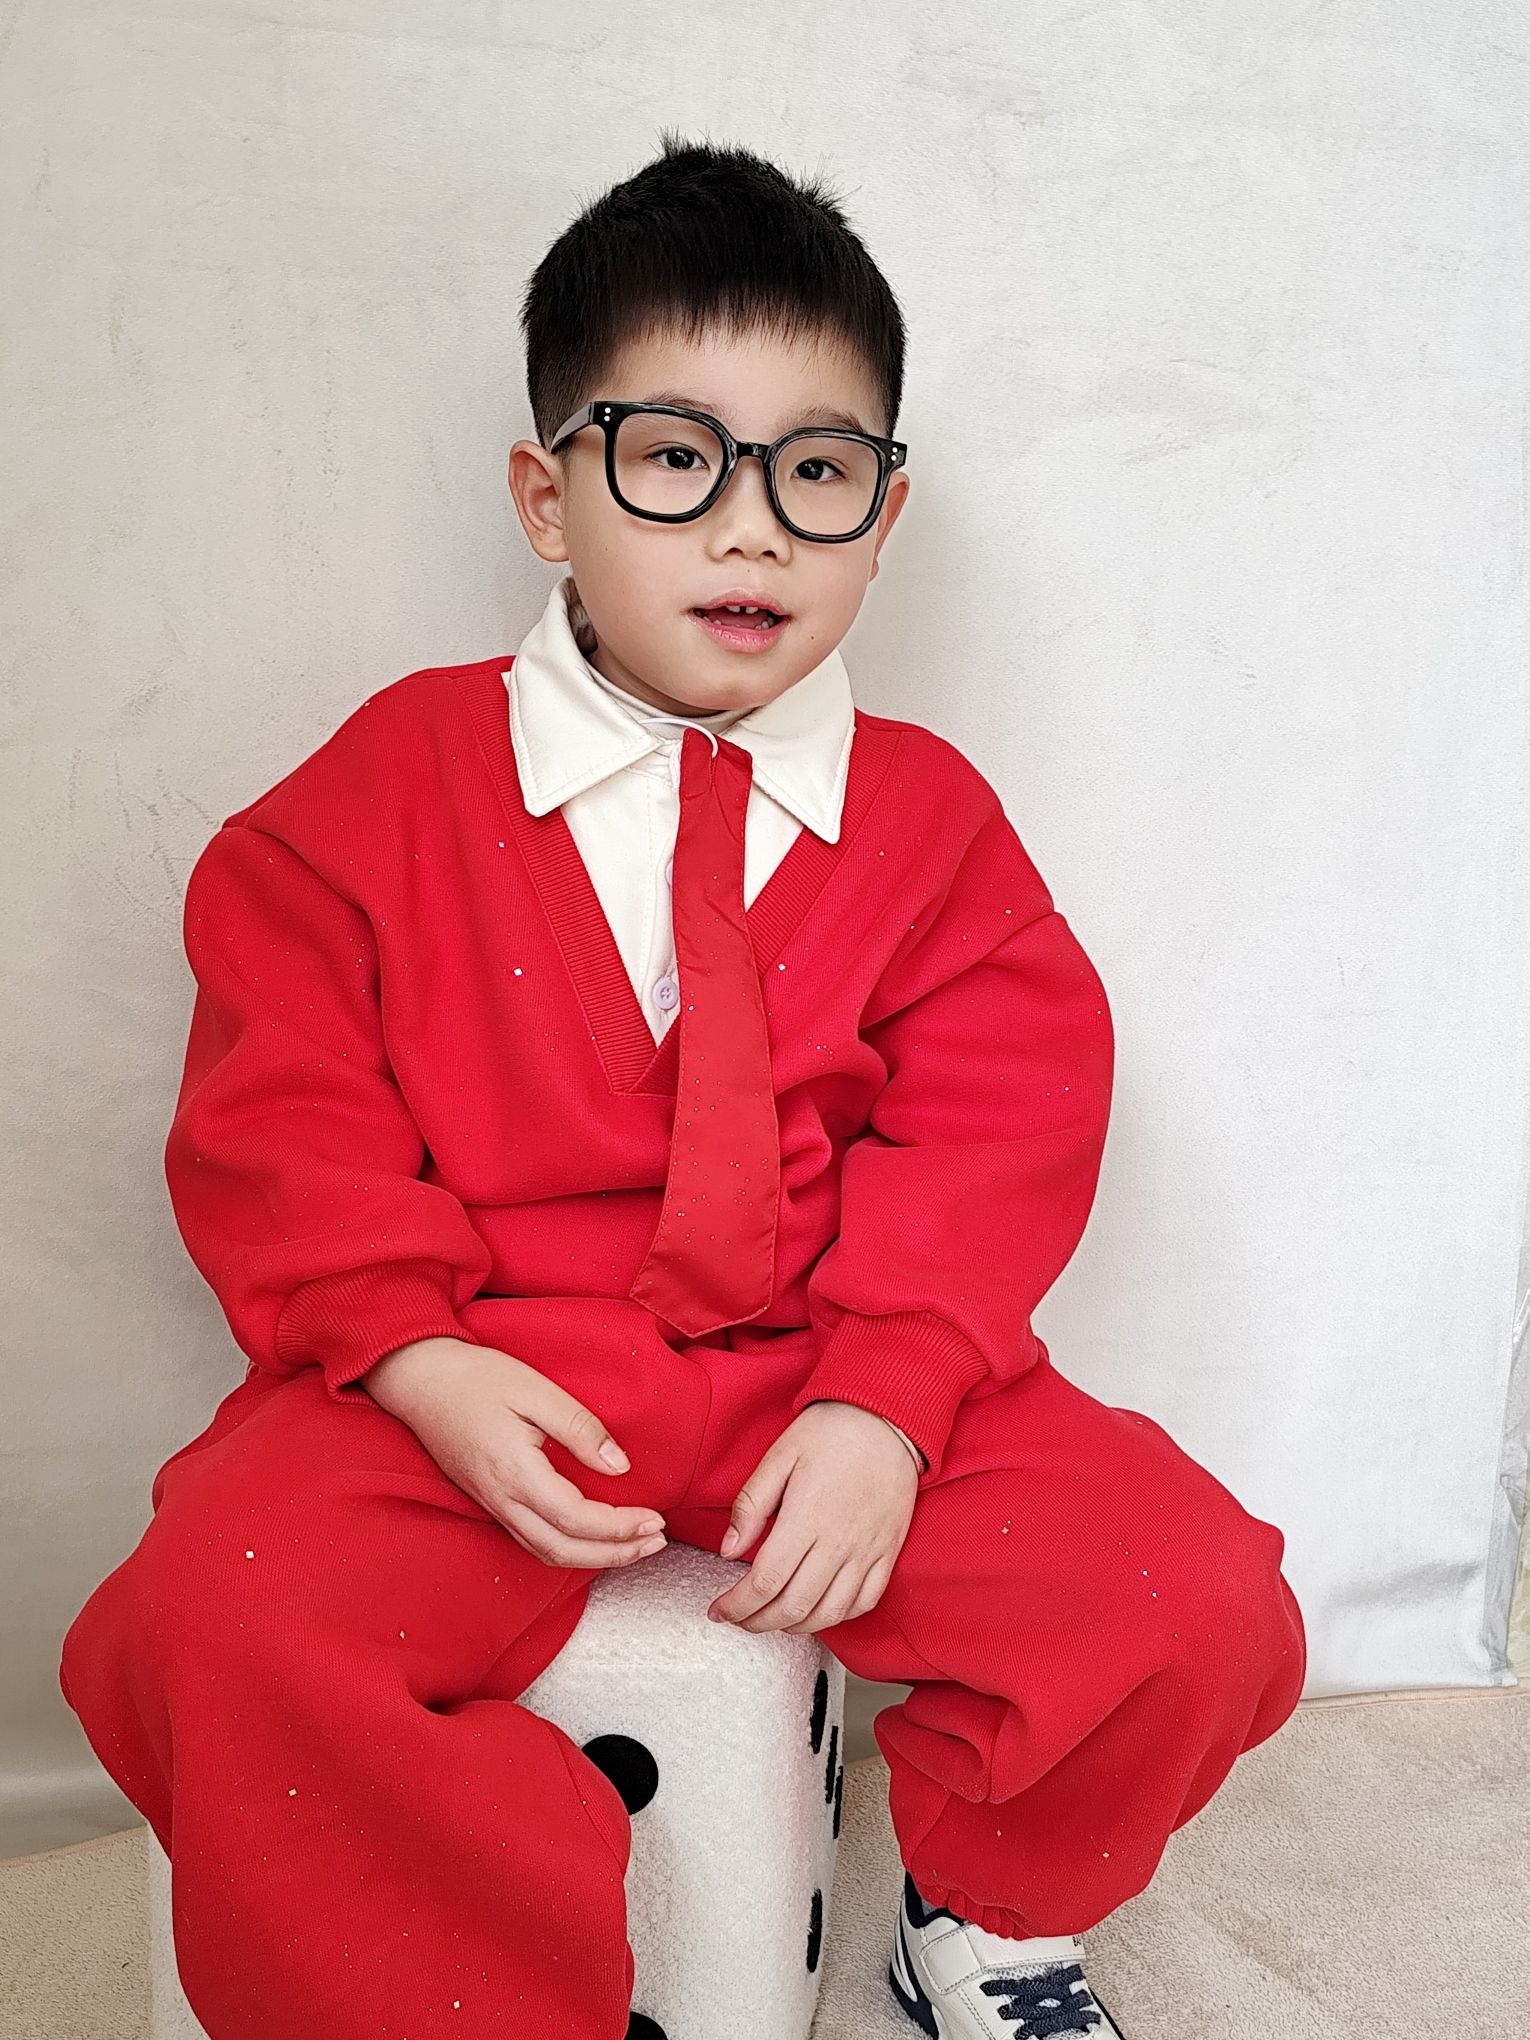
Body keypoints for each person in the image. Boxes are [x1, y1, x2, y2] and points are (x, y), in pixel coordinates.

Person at [58, 132, 1306, 2040]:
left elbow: (996, 1126)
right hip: (488, 1368)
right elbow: (282, 1111)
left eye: (817, 471)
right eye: (673, 459)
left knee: (1187, 1593)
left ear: (884, 513)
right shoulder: (376, 797)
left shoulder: (931, 825)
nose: (751, 531)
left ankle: (985, 1914)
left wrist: (889, 1399)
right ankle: (464, 1988)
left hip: (819, 1364)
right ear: (547, 497)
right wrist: (409, 1354)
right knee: (212, 1617)